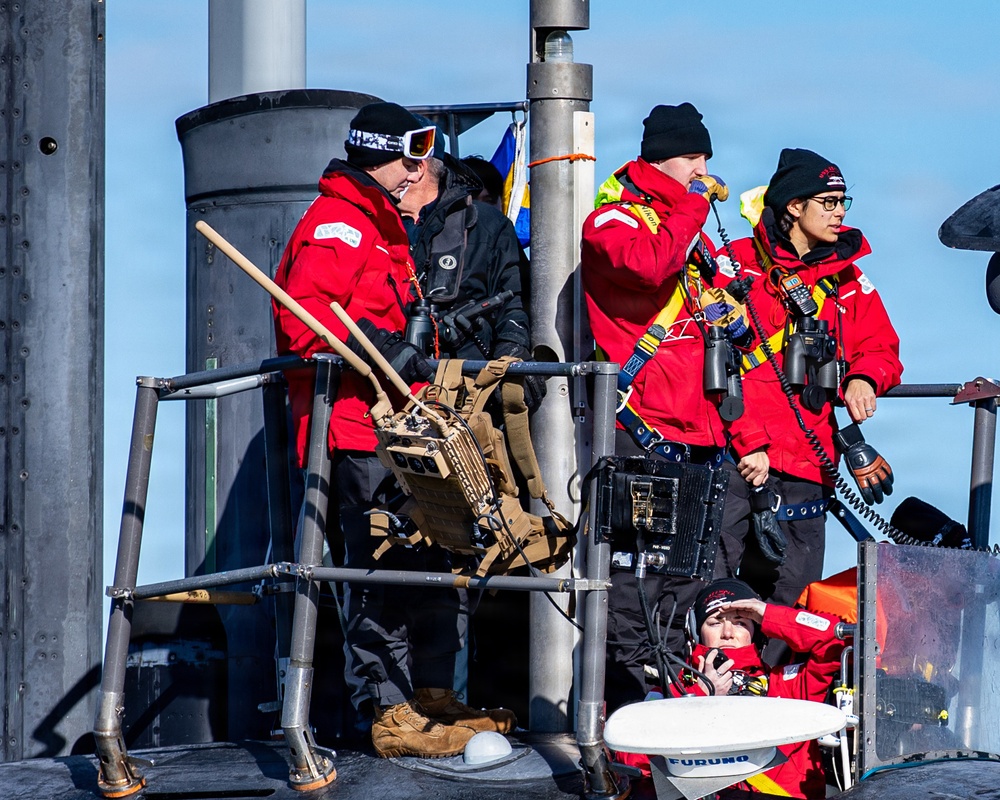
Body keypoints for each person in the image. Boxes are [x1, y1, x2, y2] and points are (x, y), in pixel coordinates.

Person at [272, 101, 508, 759]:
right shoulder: (342, 224)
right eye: (413, 158)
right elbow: (304, 319)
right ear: (388, 157)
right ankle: (391, 710)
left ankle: (432, 697)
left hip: (402, 428)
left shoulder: (381, 225)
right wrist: (381, 346)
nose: (420, 171)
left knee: (431, 557)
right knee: (383, 565)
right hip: (357, 431)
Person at [580, 102, 747, 713]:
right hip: (643, 430)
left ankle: (674, 705)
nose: (703, 170)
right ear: (659, 160)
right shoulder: (612, 220)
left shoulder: (684, 225)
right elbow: (649, 268)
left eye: (706, 158)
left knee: (683, 584)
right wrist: (693, 206)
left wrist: (728, 314)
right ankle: (624, 714)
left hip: (698, 432)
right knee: (634, 582)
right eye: (692, 158)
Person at [720, 149, 902, 629]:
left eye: (843, 202)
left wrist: (864, 377)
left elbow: (882, 347)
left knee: (795, 603)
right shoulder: (734, 264)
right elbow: (702, 353)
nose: (840, 212)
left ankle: (778, 677)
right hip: (736, 455)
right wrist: (749, 441)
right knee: (715, 594)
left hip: (807, 460)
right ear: (795, 206)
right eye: (829, 202)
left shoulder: (847, 277)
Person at [675, 579, 846, 799]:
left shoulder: (788, 686)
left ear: (757, 633)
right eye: (715, 622)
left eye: (740, 622)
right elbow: (636, 762)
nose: (727, 633)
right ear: (696, 633)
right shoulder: (676, 691)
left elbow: (834, 638)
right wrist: (699, 700)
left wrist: (768, 614)